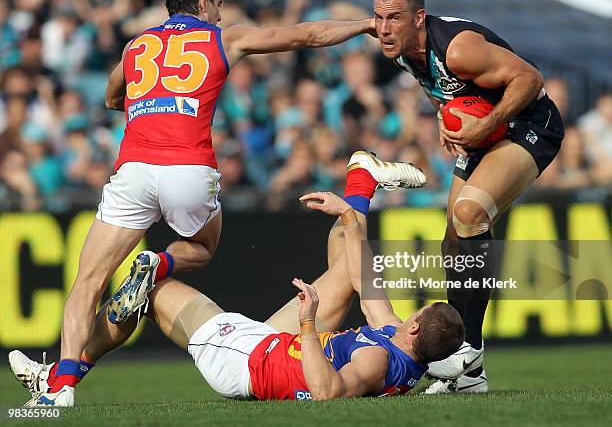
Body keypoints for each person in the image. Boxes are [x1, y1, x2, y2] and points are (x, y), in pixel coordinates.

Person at [45, 0, 379, 406]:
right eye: (218, 5)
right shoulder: (224, 38)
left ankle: (61, 387)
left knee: (88, 281)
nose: (220, 14)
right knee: (200, 249)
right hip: (189, 169)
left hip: (134, 169)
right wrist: (363, 25)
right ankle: (160, 265)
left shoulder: (136, 45)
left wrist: (150, 102)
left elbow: (111, 97)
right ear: (203, 3)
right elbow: (304, 35)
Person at [10, 152, 463, 403]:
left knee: (151, 291)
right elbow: (367, 283)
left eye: (416, 312)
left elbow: (326, 392)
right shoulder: (395, 341)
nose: (408, 312)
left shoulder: (379, 362)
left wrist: (308, 321)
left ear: (417, 326)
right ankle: (361, 182)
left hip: (243, 361)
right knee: (347, 270)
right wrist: (350, 213)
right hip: (271, 343)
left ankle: (61, 377)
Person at [371, 0, 564, 393]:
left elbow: (530, 79)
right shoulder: (402, 53)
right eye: (378, 18)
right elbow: (440, 92)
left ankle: (468, 347)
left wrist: (486, 124)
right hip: (485, 132)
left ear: (418, 18)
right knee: (452, 241)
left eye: (393, 18)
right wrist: (447, 119)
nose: (383, 28)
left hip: (528, 124)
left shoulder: (458, 48)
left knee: (470, 214)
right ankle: (471, 377)